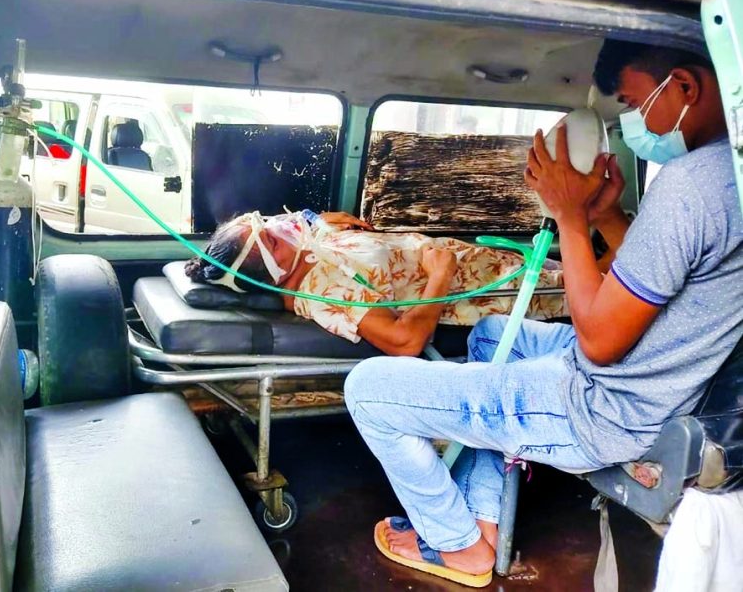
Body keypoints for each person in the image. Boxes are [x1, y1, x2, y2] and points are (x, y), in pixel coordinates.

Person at [342, 40, 743, 587]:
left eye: (632, 102)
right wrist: (604, 218)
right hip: (662, 378)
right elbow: (665, 283)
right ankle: (482, 517)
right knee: (489, 334)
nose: (631, 124)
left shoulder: (690, 184)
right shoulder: (728, 176)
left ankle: (456, 546)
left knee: (368, 390)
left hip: (606, 407)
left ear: (685, 87)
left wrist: (570, 217)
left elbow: (601, 339)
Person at [184, 210, 567, 356]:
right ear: (273, 270)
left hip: (498, 263)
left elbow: (303, 221)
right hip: (506, 295)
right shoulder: (323, 291)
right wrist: (441, 274)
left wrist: (319, 219)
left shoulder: (309, 247)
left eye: (263, 222)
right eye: (268, 236)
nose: (276, 226)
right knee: (597, 289)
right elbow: (405, 342)